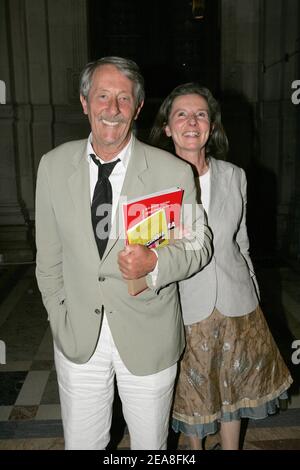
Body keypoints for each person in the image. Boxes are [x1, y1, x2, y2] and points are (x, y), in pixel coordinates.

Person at [35, 58, 212, 450]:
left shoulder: (172, 171)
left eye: (123, 98)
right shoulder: (52, 166)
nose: (112, 109)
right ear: (84, 102)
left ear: (138, 106)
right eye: (102, 96)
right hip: (78, 338)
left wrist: (155, 264)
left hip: (149, 336)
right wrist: (58, 316)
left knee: (150, 448)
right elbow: (47, 260)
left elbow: (199, 244)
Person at [149, 83, 293, 450]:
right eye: (181, 114)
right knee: (192, 390)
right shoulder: (154, 182)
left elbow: (240, 243)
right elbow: (152, 252)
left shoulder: (235, 176)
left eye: (201, 114)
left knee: (234, 390)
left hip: (237, 302)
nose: (192, 121)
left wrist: (254, 295)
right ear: (167, 127)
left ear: (211, 126)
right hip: (185, 306)